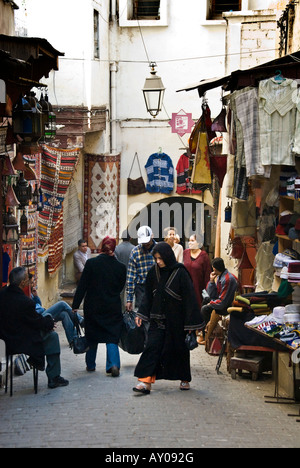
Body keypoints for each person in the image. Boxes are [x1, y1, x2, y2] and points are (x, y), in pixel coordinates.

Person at [132, 242, 205, 394]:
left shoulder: (180, 272)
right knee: (151, 347)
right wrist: (141, 313)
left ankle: (184, 378)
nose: (158, 261)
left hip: (177, 321)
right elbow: (147, 296)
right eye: (156, 258)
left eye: (160, 258)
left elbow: (189, 298)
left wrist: (191, 324)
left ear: (167, 256)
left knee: (179, 349)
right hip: (156, 319)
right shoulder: (154, 272)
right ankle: (145, 382)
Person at [0, 267, 69, 389]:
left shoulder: (2, 295)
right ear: (22, 283)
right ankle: (53, 377)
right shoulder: (25, 302)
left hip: (4, 341)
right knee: (53, 336)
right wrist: (49, 323)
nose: (29, 280)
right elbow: (36, 322)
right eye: (27, 278)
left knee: (50, 323)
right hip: (20, 341)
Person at [72, 236, 126, 376]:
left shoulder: (91, 264)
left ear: (102, 247)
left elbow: (82, 286)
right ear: (114, 248)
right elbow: (120, 288)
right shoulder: (121, 268)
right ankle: (113, 364)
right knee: (112, 336)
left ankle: (90, 365)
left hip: (93, 307)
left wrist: (75, 305)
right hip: (112, 307)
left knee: (92, 336)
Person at [29, 274, 84, 348]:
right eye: (31, 282)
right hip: (39, 318)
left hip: (43, 313)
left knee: (64, 314)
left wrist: (36, 297)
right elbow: (33, 311)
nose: (33, 284)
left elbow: (39, 305)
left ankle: (74, 340)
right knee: (62, 304)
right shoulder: (25, 295)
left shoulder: (31, 293)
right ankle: (80, 320)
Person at [183, 234, 211, 344]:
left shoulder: (203, 256)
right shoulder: (185, 253)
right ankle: (189, 331)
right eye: (189, 241)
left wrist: (207, 290)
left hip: (199, 288)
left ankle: (200, 331)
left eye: (192, 241)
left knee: (199, 308)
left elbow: (207, 274)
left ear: (199, 243)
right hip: (186, 288)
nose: (189, 243)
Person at [126, 226, 157, 312]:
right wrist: (129, 299)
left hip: (157, 287)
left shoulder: (160, 249)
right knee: (142, 317)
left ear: (152, 236)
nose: (146, 244)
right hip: (141, 289)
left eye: (147, 241)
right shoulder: (135, 252)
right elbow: (131, 277)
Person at [201, 257, 238, 325]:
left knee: (205, 309)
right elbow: (212, 295)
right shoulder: (220, 276)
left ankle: (206, 332)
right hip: (221, 302)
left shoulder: (227, 279)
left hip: (227, 305)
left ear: (214, 268)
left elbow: (222, 302)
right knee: (205, 299)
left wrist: (212, 303)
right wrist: (211, 281)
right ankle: (205, 327)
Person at [115, 230, 134, 310]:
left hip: (120, 275)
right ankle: (130, 312)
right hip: (132, 275)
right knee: (131, 294)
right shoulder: (134, 248)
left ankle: (121, 312)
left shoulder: (117, 248)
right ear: (130, 238)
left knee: (120, 295)